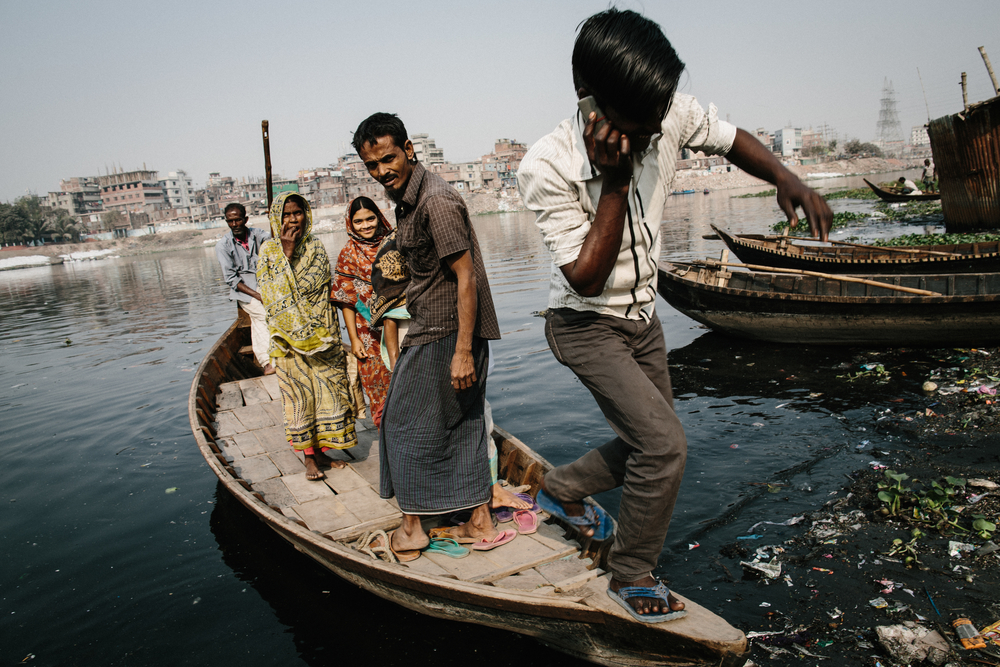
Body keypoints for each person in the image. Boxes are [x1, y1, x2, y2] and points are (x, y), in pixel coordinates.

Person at [516, 8, 832, 623]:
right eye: (650, 118)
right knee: (664, 447)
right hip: (584, 326)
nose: (664, 124)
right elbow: (584, 276)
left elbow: (726, 135)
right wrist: (613, 181)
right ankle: (630, 573)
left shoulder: (664, 114)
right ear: (594, 108)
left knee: (649, 444)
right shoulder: (546, 164)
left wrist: (784, 175)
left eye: (664, 113)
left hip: (641, 318)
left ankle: (559, 488)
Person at [352, 112, 515, 559]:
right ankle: (479, 521)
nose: (382, 171)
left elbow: (467, 278)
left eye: (388, 159)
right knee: (462, 426)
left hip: (444, 334)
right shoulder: (407, 198)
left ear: (408, 150)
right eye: (372, 166)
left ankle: (413, 529)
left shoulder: (435, 202)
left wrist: (464, 351)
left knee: (399, 425)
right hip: (435, 326)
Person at [256, 192, 357, 481]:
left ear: (306, 214)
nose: (292, 220)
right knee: (300, 399)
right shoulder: (269, 251)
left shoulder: (315, 246)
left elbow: (326, 289)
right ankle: (309, 458)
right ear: (277, 218)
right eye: (286, 215)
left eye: (297, 213)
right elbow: (270, 294)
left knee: (327, 394)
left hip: (323, 336)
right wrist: (286, 252)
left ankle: (323, 451)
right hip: (289, 342)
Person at [332, 197, 394, 427]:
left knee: (406, 383)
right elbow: (346, 300)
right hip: (368, 333)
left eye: (370, 218)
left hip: (400, 327)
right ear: (350, 223)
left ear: (378, 216)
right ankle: (388, 440)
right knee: (377, 387)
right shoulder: (348, 253)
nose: (366, 225)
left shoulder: (393, 243)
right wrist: (354, 339)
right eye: (358, 221)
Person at [215, 202, 274, 375]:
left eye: (238, 220)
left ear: (245, 219)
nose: (234, 225)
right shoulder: (223, 245)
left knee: (262, 318)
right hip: (244, 293)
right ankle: (267, 361)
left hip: (265, 286)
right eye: (230, 221)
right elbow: (232, 280)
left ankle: (271, 361)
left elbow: (274, 241)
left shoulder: (257, 235)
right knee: (263, 315)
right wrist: (257, 295)